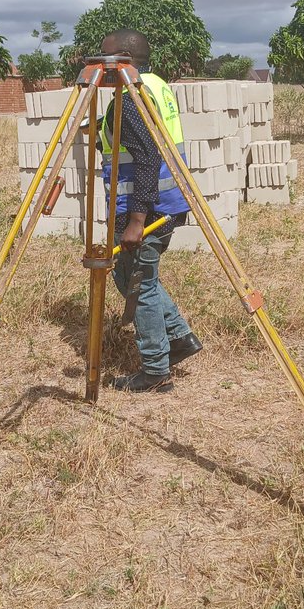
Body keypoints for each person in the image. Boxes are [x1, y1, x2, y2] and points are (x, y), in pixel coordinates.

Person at [99, 29, 202, 393]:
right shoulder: (154, 85)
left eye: (106, 57)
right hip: (168, 201)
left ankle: (156, 369)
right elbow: (141, 136)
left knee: (136, 284)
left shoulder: (128, 99)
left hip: (146, 208)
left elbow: (145, 157)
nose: (100, 65)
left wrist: (137, 221)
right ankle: (178, 338)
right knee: (140, 279)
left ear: (124, 58)